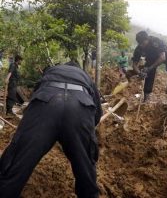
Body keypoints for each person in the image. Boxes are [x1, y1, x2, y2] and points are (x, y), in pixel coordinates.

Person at [0, 61, 102, 198]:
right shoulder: (85, 76)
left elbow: (34, 97)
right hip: (79, 109)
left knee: (17, 162)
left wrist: (30, 126)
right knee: (85, 169)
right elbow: (97, 112)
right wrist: (85, 135)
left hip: (46, 104)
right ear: (77, 69)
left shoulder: (52, 71)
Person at [132, 31, 167, 102]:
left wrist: (150, 68)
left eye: (143, 43)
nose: (142, 45)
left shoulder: (155, 41)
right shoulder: (139, 49)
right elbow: (134, 65)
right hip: (151, 59)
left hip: (163, 54)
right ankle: (146, 97)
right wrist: (139, 73)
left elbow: (162, 57)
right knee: (148, 73)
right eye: (140, 43)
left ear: (147, 39)